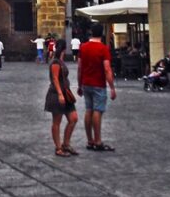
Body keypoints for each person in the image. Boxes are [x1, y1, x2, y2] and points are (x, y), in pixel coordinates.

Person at [77, 23, 116, 152]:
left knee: (89, 110)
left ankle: (90, 140)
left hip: (86, 83)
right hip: (98, 84)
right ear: (102, 34)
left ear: (91, 33)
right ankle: (98, 140)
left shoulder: (83, 47)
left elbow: (79, 67)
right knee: (97, 111)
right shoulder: (103, 48)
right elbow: (107, 69)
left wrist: (79, 84)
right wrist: (112, 87)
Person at [45, 39, 78, 158]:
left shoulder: (61, 61)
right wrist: (60, 94)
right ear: (64, 48)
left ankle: (66, 144)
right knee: (56, 122)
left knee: (73, 118)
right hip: (56, 94)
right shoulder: (55, 62)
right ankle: (58, 147)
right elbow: (54, 78)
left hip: (66, 94)